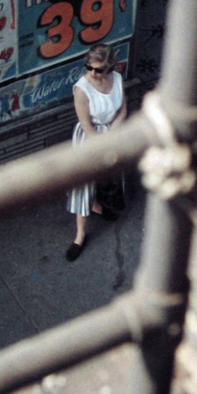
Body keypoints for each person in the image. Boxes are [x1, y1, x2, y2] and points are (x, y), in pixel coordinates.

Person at [65, 44, 127, 261]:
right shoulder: (82, 89)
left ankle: (97, 205)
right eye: (89, 67)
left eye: (99, 69)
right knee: (84, 185)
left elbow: (122, 110)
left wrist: (113, 135)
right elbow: (87, 125)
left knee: (106, 177)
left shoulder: (117, 79)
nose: (92, 73)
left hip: (111, 133)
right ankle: (80, 235)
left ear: (109, 68)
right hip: (90, 139)